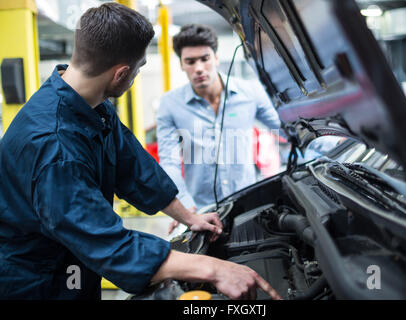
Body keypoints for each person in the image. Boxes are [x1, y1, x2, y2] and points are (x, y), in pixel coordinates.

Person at [0, 3, 281, 300]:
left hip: (70, 263)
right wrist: (214, 269)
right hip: (36, 281)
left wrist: (189, 217)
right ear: (121, 74)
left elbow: (133, 166)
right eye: (139, 67)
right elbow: (106, 243)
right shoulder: (55, 148)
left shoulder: (90, 106)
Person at [156, 24, 281, 233]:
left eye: (204, 59)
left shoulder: (250, 92)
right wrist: (184, 205)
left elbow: (286, 127)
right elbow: (169, 161)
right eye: (190, 61)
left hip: (248, 204)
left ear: (216, 58)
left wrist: (333, 139)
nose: (199, 68)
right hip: (202, 209)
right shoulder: (170, 104)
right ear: (181, 64)